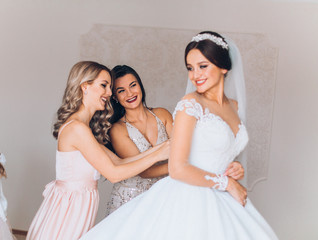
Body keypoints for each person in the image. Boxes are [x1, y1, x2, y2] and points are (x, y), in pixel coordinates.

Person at [80, 32, 278, 239]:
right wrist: (219, 178)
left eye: (202, 66)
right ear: (116, 97)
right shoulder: (189, 105)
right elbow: (175, 166)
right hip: (176, 193)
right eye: (190, 68)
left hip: (217, 190)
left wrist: (232, 166)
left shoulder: (233, 108)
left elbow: (210, 148)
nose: (195, 75)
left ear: (224, 67)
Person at [26, 61, 169, 240]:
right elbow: (115, 174)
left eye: (110, 87)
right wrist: (159, 154)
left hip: (78, 209)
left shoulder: (82, 127)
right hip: (68, 213)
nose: (109, 93)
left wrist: (162, 148)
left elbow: (118, 162)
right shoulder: (76, 128)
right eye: (104, 86)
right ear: (85, 86)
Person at [106, 65, 244, 215]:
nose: (130, 93)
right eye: (121, 91)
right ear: (115, 97)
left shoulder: (162, 115)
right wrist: (178, 165)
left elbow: (184, 149)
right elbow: (144, 171)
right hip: (130, 199)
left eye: (133, 85)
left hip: (163, 195)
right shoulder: (117, 129)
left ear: (140, 85)